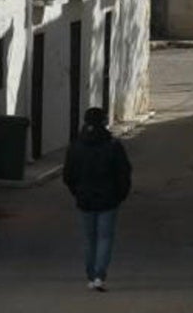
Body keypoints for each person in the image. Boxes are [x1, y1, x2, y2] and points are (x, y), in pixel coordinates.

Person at [63, 107, 132, 292]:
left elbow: (68, 175)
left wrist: (77, 192)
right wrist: (120, 194)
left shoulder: (76, 146)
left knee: (89, 239)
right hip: (109, 199)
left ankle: (91, 274)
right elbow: (124, 173)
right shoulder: (113, 146)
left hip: (85, 199)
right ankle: (100, 276)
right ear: (103, 121)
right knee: (105, 238)